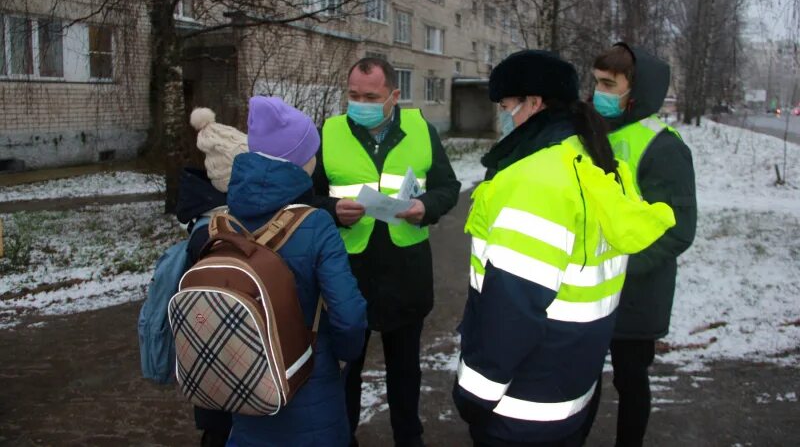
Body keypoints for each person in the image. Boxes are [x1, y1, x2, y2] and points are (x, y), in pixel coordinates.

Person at [451, 50, 676, 447]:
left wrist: (475, 393)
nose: (505, 118)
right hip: (570, 388)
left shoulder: (535, 181)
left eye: (506, 107)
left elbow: (513, 309)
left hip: (521, 404)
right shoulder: (595, 162)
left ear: (533, 103)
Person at [312, 57, 461, 447]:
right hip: (346, 276)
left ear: (394, 96)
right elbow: (305, 196)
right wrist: (331, 210)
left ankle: (408, 438)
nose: (360, 103)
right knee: (345, 372)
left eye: (371, 96)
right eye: (353, 95)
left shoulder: (420, 130)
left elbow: (448, 187)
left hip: (405, 274)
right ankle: (343, 438)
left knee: (404, 373)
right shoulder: (328, 132)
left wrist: (425, 207)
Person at [204, 96, 367, 447]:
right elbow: (349, 316)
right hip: (309, 385)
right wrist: (343, 355)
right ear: (299, 161)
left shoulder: (219, 221)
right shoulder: (317, 224)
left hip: (242, 381)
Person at [582, 43, 697, 447]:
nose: (599, 92)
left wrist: (620, 266)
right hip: (586, 289)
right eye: (596, 82)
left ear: (637, 91)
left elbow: (677, 230)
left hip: (636, 294)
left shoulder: (663, 147)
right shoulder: (588, 133)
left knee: (631, 381)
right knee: (579, 381)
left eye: (609, 84)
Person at [175, 107, 250, 447]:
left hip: (213, 369)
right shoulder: (217, 234)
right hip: (226, 364)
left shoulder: (206, 222)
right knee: (221, 434)